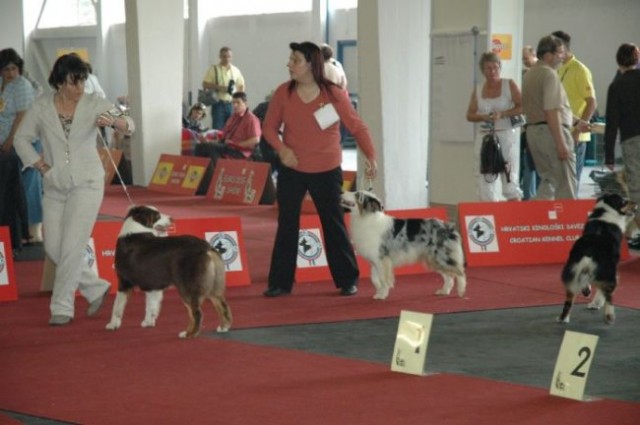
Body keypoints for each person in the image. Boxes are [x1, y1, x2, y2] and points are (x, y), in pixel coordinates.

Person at [14, 54, 135, 326]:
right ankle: (95, 286)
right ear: (59, 82)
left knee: (71, 247)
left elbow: (130, 124)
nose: (79, 88)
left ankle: (62, 307)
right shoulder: (41, 107)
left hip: (88, 184)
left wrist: (115, 122)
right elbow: (22, 138)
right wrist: (40, 166)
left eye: (81, 81)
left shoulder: (95, 103)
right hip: (54, 185)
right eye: (72, 82)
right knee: (54, 249)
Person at [262, 41, 377, 297]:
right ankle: (280, 282)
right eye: (290, 59)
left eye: (295, 60)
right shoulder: (283, 93)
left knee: (333, 223)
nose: (289, 64)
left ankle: (347, 279)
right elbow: (268, 128)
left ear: (311, 65)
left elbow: (356, 126)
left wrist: (371, 155)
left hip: (327, 169)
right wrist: (282, 150)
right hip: (292, 169)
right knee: (287, 223)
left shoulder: (333, 94)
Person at [522, 35, 582, 200]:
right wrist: (561, 143)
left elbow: (544, 106)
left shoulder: (530, 75)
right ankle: (568, 223)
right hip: (551, 133)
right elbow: (551, 111)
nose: (563, 56)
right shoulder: (550, 75)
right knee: (565, 184)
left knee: (549, 181)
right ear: (548, 55)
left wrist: (575, 120)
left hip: (534, 133)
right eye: (560, 53)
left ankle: (538, 221)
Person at [466, 52, 523, 201]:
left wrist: (503, 114)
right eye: (488, 68)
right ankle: (490, 214)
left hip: (505, 134)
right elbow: (469, 115)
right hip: (485, 136)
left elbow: (523, 106)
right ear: (482, 70)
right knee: (485, 176)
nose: (492, 72)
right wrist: (482, 116)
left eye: (495, 68)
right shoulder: (478, 89)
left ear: (500, 68)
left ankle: (515, 215)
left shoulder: (509, 84)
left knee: (509, 176)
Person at [604, 42, 640, 249]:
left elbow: (612, 122)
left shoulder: (616, 86)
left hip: (632, 140)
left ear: (618, 60)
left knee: (636, 187)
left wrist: (608, 154)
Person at [552, 30, 597, 191]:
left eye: (554, 49)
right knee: (559, 184)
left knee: (571, 183)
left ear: (563, 48)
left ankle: (571, 216)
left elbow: (592, 102)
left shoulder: (579, 70)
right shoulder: (558, 69)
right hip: (559, 133)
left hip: (574, 135)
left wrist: (578, 129)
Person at [0, 48, 36, 250]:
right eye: (6, 69)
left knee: (13, 192)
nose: (11, 73)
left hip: (16, 144)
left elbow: (21, 117)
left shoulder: (22, 86)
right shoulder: (2, 84)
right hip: (2, 145)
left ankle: (21, 234)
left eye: (14, 69)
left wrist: (9, 142)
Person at [194, 92, 261, 195]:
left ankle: (218, 182)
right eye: (233, 103)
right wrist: (209, 141)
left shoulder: (251, 119)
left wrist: (239, 145)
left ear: (245, 103)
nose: (234, 105)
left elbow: (256, 139)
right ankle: (201, 184)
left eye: (238, 103)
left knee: (211, 149)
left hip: (240, 151)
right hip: (227, 146)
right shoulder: (232, 118)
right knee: (200, 147)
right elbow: (223, 139)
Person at [202, 46, 246, 130]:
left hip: (232, 104)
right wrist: (219, 87)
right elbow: (205, 84)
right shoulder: (214, 69)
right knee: (218, 130)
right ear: (220, 57)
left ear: (231, 57)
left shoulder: (235, 70)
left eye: (228, 56)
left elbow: (241, 85)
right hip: (218, 104)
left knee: (232, 129)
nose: (226, 59)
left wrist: (241, 101)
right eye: (224, 56)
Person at [520, 46, 540, 200]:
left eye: (526, 58)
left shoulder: (541, 75)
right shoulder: (526, 74)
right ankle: (531, 197)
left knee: (532, 166)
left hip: (537, 126)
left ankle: (532, 197)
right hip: (529, 127)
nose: (524, 62)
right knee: (529, 165)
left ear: (534, 55)